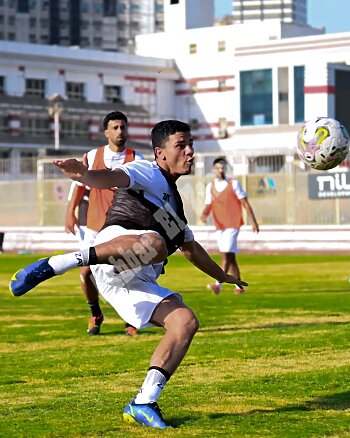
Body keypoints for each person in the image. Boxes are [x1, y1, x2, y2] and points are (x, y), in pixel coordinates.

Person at [9, 120, 247, 429]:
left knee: (185, 322)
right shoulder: (145, 171)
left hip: (135, 280)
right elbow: (111, 177)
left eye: (191, 145)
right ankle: (59, 263)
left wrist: (223, 276)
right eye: (182, 145)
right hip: (111, 258)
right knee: (157, 242)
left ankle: (144, 401)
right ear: (161, 153)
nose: (190, 152)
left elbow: (190, 248)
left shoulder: (173, 205)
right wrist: (84, 175)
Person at [65, 111, 143, 336]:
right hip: (93, 227)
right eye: (116, 128)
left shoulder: (137, 159)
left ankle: (130, 318)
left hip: (123, 227)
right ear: (106, 132)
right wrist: (70, 213)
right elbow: (79, 185)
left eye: (123, 127)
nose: (120, 132)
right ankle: (95, 313)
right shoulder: (91, 156)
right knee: (86, 273)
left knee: (126, 275)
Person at [200, 157, 259, 295]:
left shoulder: (233, 184)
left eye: (223, 168)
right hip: (219, 225)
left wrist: (253, 221)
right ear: (214, 169)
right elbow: (209, 204)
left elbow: (245, 203)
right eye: (218, 168)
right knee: (230, 257)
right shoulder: (210, 186)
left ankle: (217, 285)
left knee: (225, 255)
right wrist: (204, 214)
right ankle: (239, 287)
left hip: (232, 224)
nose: (221, 170)